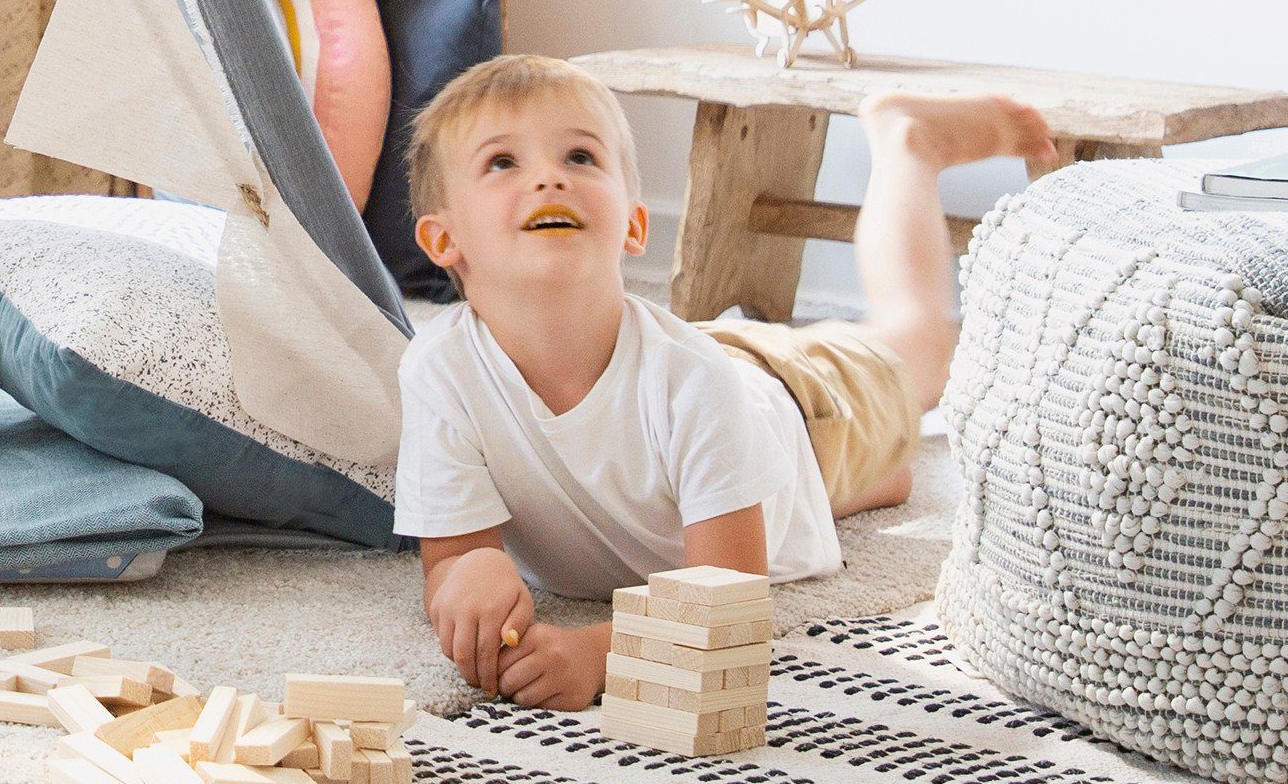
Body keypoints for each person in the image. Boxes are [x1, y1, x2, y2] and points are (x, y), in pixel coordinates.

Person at [394, 53, 1064, 709]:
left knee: (918, 345)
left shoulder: (693, 382)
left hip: (799, 401)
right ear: (443, 240)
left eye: (580, 157)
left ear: (633, 224)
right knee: (875, 480)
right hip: (706, 402)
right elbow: (450, 556)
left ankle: (908, 144)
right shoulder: (438, 369)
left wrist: (600, 653)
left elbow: (730, 599)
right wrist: (465, 574)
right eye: (502, 162)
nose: (549, 179)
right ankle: (845, 485)